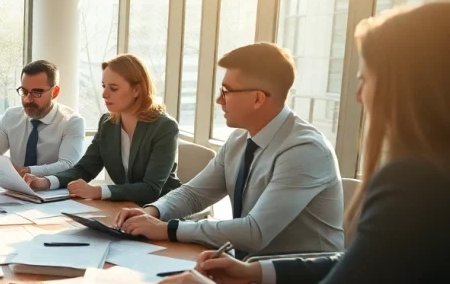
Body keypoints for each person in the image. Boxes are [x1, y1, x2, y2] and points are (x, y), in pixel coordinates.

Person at [143, 3, 450, 284]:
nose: (360, 96)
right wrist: (257, 274)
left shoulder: (411, 182)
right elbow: (355, 263)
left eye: (366, 79)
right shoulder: (433, 181)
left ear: (408, 88)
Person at [114, 42, 344, 258]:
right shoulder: (239, 139)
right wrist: (152, 211)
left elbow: (255, 232)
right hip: (248, 271)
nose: (218, 100)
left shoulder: (305, 151)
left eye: (226, 91)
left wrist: (169, 229)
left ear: (257, 98)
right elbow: (194, 193)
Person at [24, 54, 179, 205]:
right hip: (124, 208)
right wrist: (45, 182)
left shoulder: (164, 127)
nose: (104, 94)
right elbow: (84, 169)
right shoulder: (108, 123)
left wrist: (98, 191)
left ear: (136, 90)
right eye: (104, 87)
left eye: (113, 88)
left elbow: (151, 189)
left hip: (161, 212)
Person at [0, 59, 85, 178]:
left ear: (55, 92)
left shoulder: (72, 122)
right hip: (14, 190)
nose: (27, 100)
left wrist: (26, 171)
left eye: (37, 93)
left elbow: (68, 165)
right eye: (24, 92)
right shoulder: (11, 116)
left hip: (53, 192)